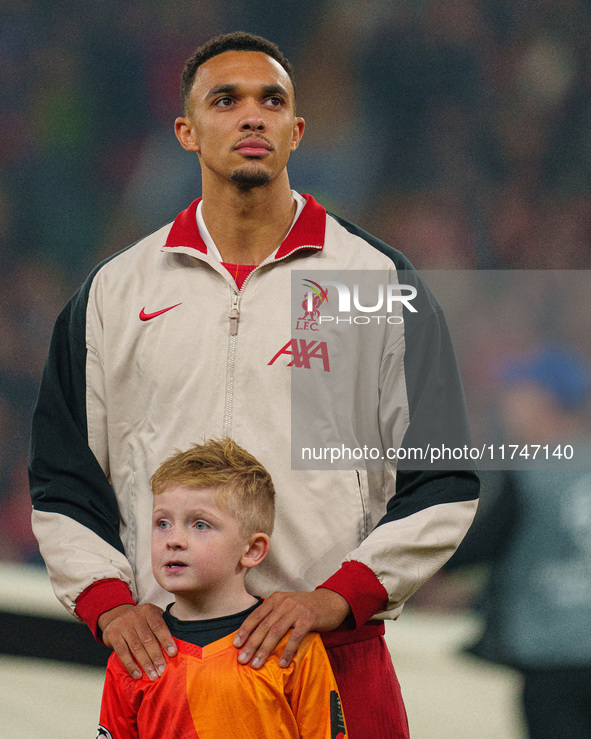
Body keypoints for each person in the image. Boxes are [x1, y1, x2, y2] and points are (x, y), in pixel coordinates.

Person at [30, 31, 479, 738]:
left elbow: (444, 481)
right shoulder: (113, 295)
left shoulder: (378, 282)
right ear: (186, 130)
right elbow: (63, 482)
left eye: (271, 101)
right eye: (226, 99)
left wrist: (336, 598)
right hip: (170, 669)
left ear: (296, 130)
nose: (251, 116)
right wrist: (109, 601)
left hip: (334, 657)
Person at [97, 437, 347, 738]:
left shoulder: (292, 645)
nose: (173, 539)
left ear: (252, 550)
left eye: (199, 525)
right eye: (162, 523)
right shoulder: (136, 650)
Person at [446, 346, 591, 738]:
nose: (506, 410)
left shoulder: (532, 471)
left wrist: (409, 562)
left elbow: (478, 546)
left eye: (516, 396)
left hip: (549, 653)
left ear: (547, 400)